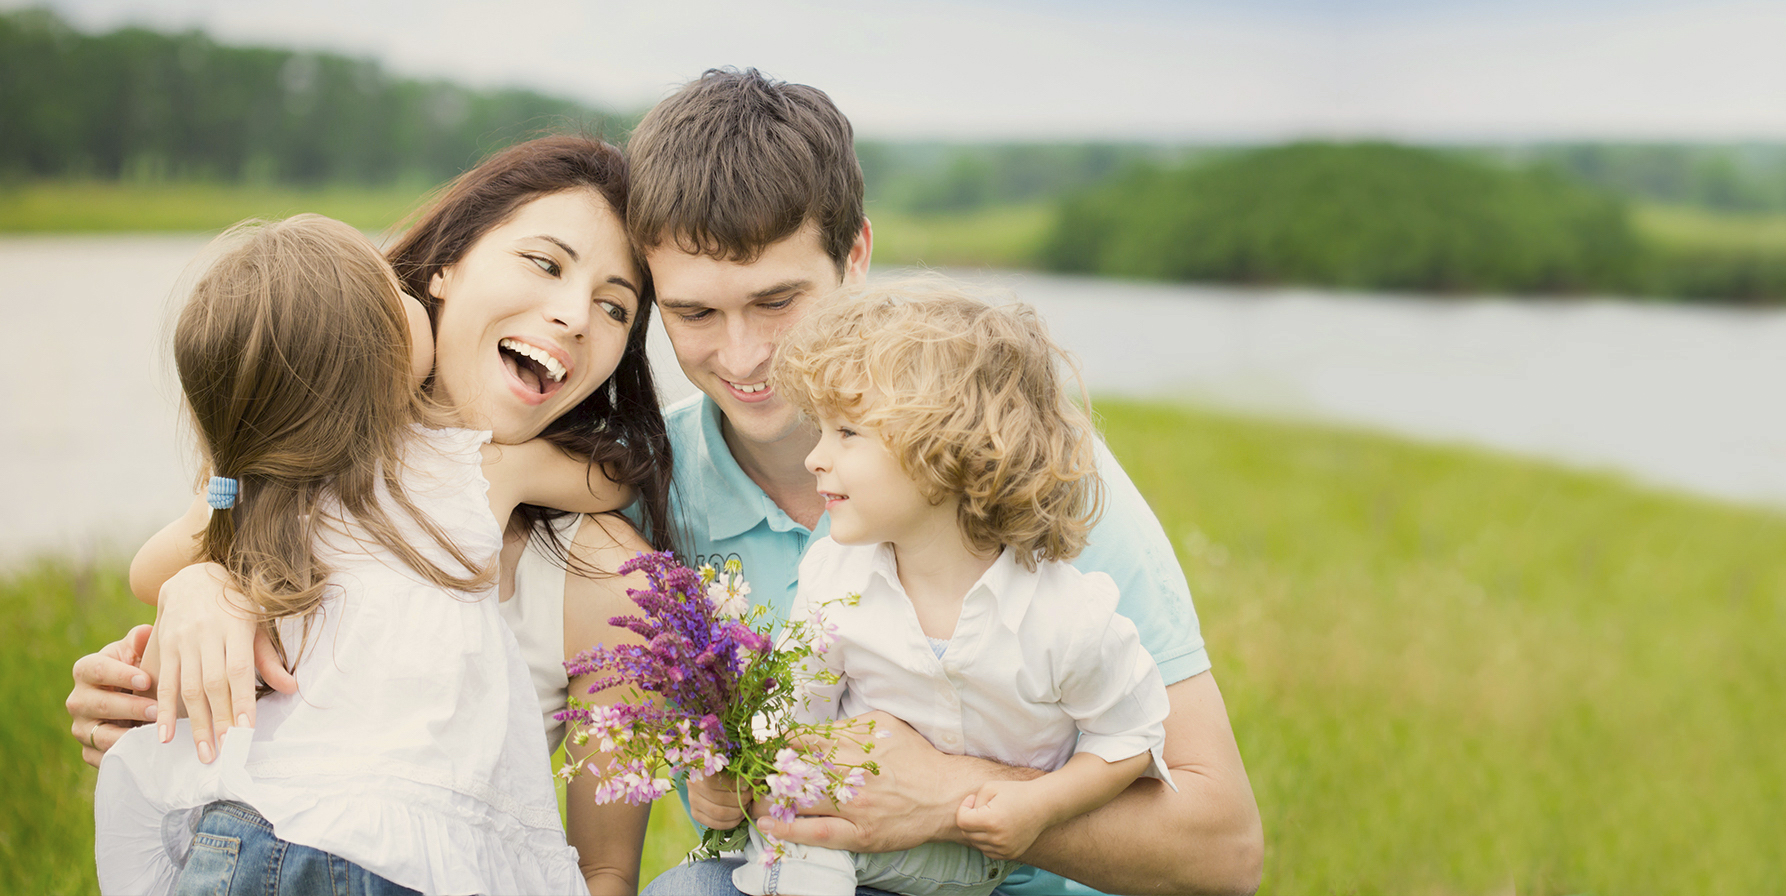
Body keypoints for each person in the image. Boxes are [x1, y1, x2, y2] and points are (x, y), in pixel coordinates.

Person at [628, 69, 1263, 895]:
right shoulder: (651, 492)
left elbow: (1224, 853)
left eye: (778, 300)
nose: (744, 357)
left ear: (855, 256)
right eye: (694, 315)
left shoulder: (1015, 463)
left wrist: (951, 797)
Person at [71, 136, 671, 896]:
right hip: (265, 830)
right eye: (545, 263)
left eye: (615, 306)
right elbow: (181, 561)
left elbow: (606, 871)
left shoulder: (598, 568)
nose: (576, 316)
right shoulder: (311, 456)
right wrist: (204, 586)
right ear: (444, 267)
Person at [720, 280, 1175, 896]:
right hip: (852, 846)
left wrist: (1039, 806)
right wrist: (739, 755)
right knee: (794, 845)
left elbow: (1132, 738)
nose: (815, 458)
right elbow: (801, 699)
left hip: (982, 863)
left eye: (847, 433)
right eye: (821, 431)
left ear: (949, 451)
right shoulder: (834, 576)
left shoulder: (1066, 618)